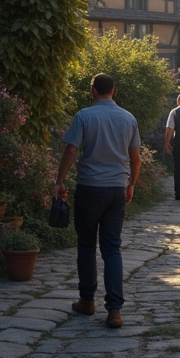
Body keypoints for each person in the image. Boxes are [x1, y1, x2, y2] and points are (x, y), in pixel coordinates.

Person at [55, 74, 140, 329]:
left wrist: (59, 181)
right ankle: (114, 310)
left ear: (92, 91)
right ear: (114, 91)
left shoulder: (84, 116)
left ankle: (87, 300)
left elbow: (71, 150)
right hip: (116, 190)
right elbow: (135, 157)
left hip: (89, 188)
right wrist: (131, 184)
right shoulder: (128, 118)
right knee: (112, 248)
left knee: (86, 245)